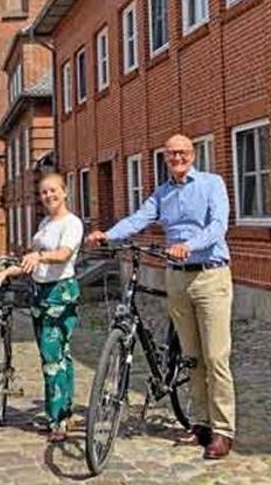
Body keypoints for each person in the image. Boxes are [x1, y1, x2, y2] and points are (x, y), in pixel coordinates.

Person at [86, 134, 235, 460]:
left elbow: (218, 226)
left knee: (215, 357)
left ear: (193, 154)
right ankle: (201, 423)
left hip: (210, 274)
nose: (177, 158)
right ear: (165, 158)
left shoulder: (212, 184)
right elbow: (139, 218)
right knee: (192, 357)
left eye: (182, 152)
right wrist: (107, 235)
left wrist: (189, 245)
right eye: (171, 154)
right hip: (176, 278)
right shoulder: (162, 193)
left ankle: (223, 430)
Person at [0, 173, 84, 442]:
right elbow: (31, 262)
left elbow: (63, 254)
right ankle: (63, 412)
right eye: (43, 192)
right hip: (39, 292)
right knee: (58, 356)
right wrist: (7, 272)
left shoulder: (72, 223)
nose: (48, 196)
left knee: (53, 357)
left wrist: (39, 255)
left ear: (65, 192)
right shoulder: (44, 224)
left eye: (53, 190)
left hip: (60, 293)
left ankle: (58, 420)